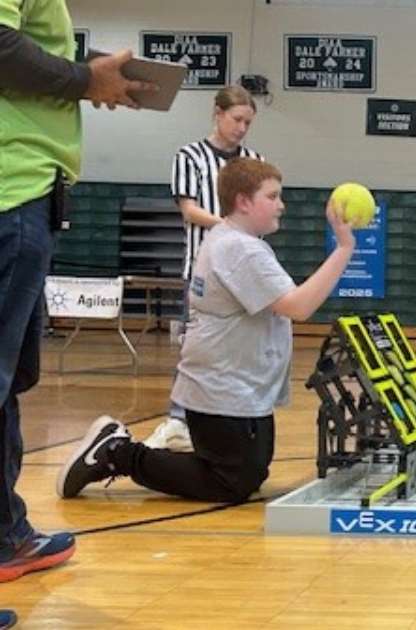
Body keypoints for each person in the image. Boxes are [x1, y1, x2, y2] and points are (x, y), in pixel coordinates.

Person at [58, 158, 356, 503]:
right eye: (272, 197)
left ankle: (128, 451)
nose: (282, 205)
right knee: (231, 484)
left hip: (233, 389)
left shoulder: (233, 240)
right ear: (244, 201)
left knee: (248, 474)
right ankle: (116, 453)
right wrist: (345, 247)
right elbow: (299, 306)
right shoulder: (239, 249)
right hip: (224, 391)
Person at [0, 0, 152, 582]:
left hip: (25, 193)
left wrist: (87, 76)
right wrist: (86, 78)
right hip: (11, 194)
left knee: (9, 382)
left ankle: (5, 535)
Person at [146, 85, 264, 453]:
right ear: (217, 113)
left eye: (248, 122)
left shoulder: (253, 160)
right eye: (236, 119)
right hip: (203, 269)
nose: (242, 128)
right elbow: (190, 210)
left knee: (242, 350)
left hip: (245, 271)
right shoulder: (190, 156)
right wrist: (230, 226)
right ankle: (178, 420)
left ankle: (232, 422)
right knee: (196, 349)